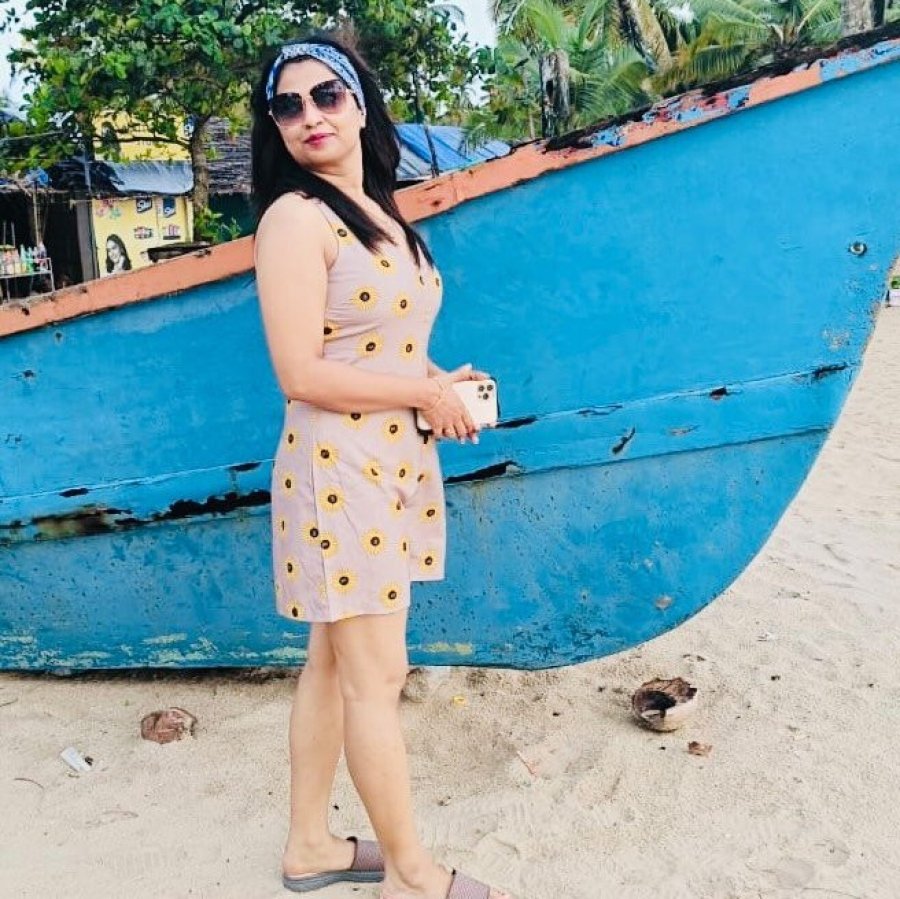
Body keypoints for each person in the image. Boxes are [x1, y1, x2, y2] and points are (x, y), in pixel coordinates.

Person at [251, 33, 511, 899]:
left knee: (334, 664)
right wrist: (419, 393)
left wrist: (439, 383)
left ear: (360, 104)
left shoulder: (379, 215)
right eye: (288, 105)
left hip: (389, 462)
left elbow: (380, 343)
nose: (310, 116)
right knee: (375, 677)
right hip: (339, 469)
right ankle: (410, 873)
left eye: (326, 95)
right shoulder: (296, 219)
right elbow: (301, 372)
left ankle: (309, 845)